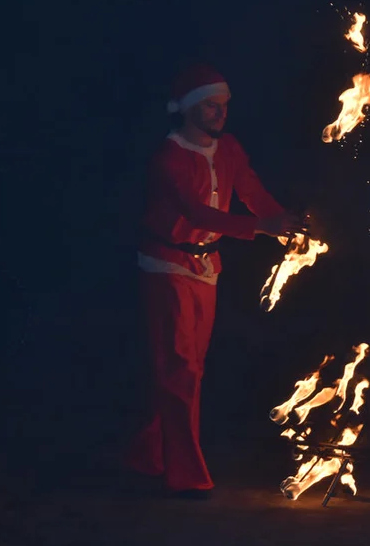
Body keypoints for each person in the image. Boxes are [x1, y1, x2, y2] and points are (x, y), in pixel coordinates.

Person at [126, 64, 303, 498]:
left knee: (186, 368)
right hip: (168, 266)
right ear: (188, 108)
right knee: (182, 367)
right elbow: (196, 213)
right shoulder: (169, 158)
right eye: (211, 105)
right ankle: (186, 473)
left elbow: (251, 191)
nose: (221, 113)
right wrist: (262, 226)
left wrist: (288, 223)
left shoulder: (230, 149)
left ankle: (146, 454)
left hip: (207, 269)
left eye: (224, 105)